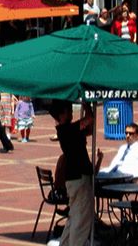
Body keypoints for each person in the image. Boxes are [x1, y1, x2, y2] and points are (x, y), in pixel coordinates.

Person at [51, 101, 99, 246]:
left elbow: (89, 129)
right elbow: (89, 118)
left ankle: (65, 243)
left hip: (74, 178)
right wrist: (86, 104)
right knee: (82, 219)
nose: (71, 113)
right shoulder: (66, 129)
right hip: (79, 177)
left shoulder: (68, 129)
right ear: (61, 114)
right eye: (69, 110)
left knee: (74, 216)